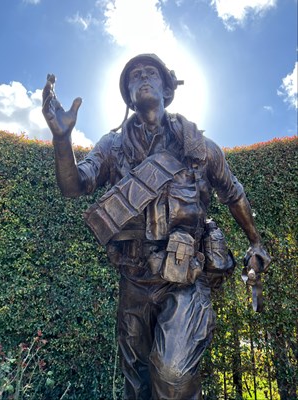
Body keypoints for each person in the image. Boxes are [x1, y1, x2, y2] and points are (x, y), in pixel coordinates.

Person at [42, 54, 271, 400]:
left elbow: (233, 193)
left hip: (183, 279)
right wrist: (62, 139)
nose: (143, 78)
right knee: (137, 383)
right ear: (128, 95)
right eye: (135, 76)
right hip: (133, 279)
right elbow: (74, 185)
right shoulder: (113, 146)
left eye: (151, 73)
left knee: (173, 375)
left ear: (167, 88)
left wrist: (256, 242)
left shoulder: (197, 147)